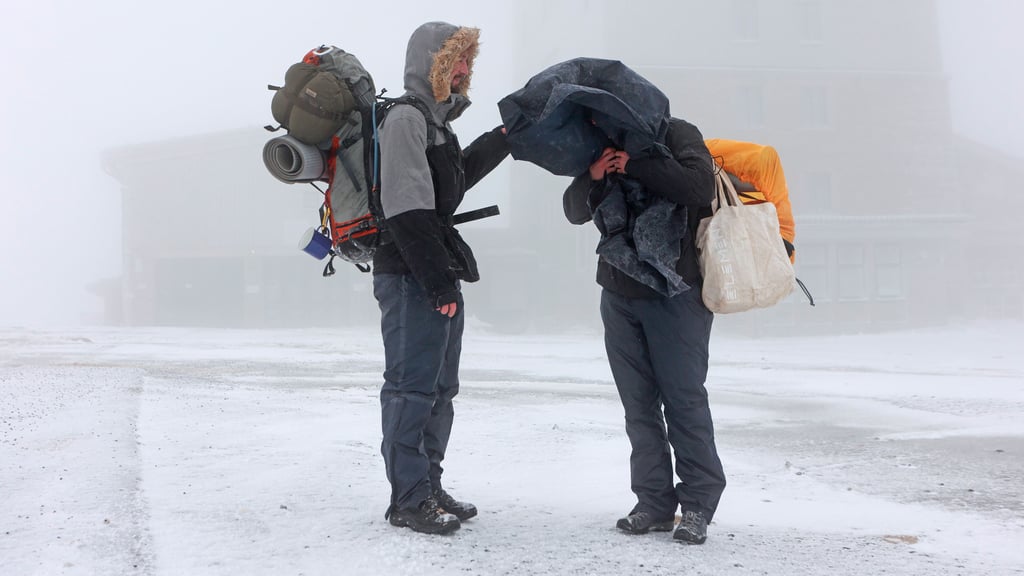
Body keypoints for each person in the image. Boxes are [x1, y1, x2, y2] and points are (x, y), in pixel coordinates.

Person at [373, 21, 509, 535]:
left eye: (469, 61)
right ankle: (408, 499)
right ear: (434, 62)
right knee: (411, 389)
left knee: (440, 390)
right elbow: (407, 209)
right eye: (459, 58)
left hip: (435, 266)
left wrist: (502, 139)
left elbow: (453, 183)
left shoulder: (439, 122)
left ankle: (427, 484)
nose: (466, 69)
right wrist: (437, 284)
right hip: (411, 273)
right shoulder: (406, 119)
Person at [563, 117, 726, 544]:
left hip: (676, 293)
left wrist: (635, 165)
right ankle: (653, 503)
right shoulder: (600, 147)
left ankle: (697, 506)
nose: (599, 121)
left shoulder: (678, 134)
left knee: (684, 400)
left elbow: (698, 188)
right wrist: (595, 174)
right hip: (618, 293)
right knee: (638, 406)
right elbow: (573, 210)